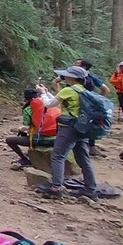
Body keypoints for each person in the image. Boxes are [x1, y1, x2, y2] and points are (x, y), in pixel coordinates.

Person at [36, 66, 98, 201]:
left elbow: (49, 104)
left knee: (58, 156)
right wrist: (46, 92)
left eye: (67, 75)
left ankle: (56, 187)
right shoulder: (84, 90)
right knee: (83, 159)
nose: (64, 77)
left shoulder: (68, 90)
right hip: (83, 128)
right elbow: (59, 103)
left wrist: (41, 93)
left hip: (68, 128)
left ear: (73, 78)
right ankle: (90, 189)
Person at [5, 88, 59, 169]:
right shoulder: (50, 103)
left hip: (41, 139)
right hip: (57, 139)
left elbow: (25, 127)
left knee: (10, 140)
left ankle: (25, 160)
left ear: (26, 98)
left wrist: (19, 129)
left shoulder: (28, 109)